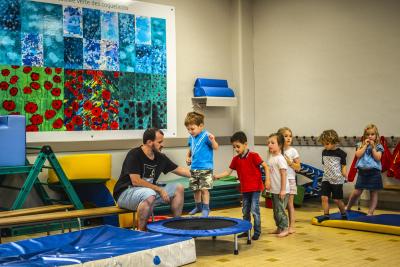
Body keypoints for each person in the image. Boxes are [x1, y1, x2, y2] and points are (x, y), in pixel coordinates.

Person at [113, 128, 191, 231]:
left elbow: (179, 169)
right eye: (159, 142)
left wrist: (201, 175)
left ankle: (176, 226)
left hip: (149, 194)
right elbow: (136, 181)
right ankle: (141, 231)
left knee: (178, 188)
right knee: (149, 194)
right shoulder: (134, 154)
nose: (162, 145)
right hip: (125, 193)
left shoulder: (160, 157)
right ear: (149, 142)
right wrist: (159, 190)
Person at [214, 131, 270, 240]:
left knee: (254, 210)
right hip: (245, 189)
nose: (236, 149)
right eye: (234, 147)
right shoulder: (235, 159)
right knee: (245, 210)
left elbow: (266, 167)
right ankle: (245, 230)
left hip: (255, 188)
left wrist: (267, 180)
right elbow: (228, 172)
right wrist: (216, 176)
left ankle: (257, 231)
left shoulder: (254, 156)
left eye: (238, 146)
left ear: (245, 144)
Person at [185, 111, 218, 217]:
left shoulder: (206, 135)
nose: (190, 131)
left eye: (192, 129)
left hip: (205, 167)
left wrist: (213, 141)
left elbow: (216, 147)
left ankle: (206, 208)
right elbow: (191, 148)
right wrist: (188, 157)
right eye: (188, 129)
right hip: (194, 167)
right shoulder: (191, 137)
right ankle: (198, 206)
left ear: (201, 126)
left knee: (204, 189)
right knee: (196, 189)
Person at [346, 124, 383, 215]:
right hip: (362, 172)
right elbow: (358, 155)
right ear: (364, 136)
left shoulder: (378, 146)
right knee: (357, 192)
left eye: (372, 134)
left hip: (374, 173)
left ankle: (370, 212)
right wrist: (365, 146)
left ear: (376, 135)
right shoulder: (360, 144)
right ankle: (348, 207)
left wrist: (373, 147)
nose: (370, 136)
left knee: (373, 193)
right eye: (367, 134)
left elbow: (378, 158)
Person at [317, 129, 347, 222]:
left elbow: (343, 166)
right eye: (323, 144)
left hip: (337, 179)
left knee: (337, 200)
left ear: (334, 142)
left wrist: (345, 175)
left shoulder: (341, 153)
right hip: (326, 178)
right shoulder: (324, 152)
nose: (325, 146)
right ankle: (326, 215)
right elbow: (325, 165)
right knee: (324, 197)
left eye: (327, 144)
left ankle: (343, 213)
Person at [266, 132, 290, 237]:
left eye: (272, 143)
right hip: (274, 190)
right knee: (276, 211)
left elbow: (284, 175)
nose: (269, 145)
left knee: (280, 211)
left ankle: (285, 228)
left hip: (282, 190)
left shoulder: (280, 158)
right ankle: (279, 228)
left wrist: (283, 190)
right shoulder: (271, 157)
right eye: (268, 143)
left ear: (279, 145)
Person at [278, 127, 300, 234]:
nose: (288, 138)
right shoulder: (278, 150)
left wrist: (290, 162)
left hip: (290, 179)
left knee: (289, 204)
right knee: (279, 205)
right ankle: (280, 226)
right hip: (279, 181)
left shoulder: (293, 151)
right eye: (285, 136)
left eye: (290, 136)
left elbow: (298, 167)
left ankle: (291, 226)